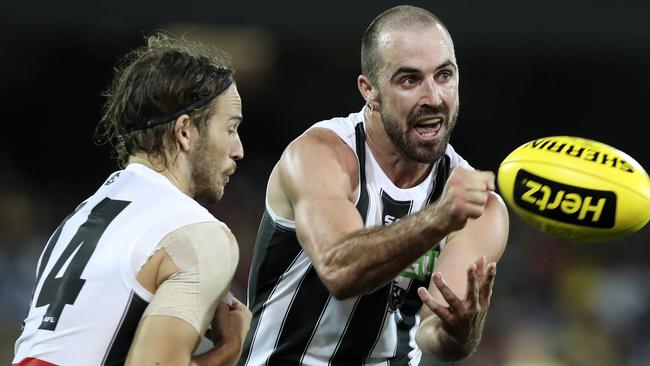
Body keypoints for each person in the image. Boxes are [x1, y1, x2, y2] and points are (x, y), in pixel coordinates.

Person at [239, 5, 509, 365]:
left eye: (444, 75)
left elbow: (435, 335)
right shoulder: (320, 155)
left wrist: (461, 330)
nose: (433, 97)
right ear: (370, 90)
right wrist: (438, 219)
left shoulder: (479, 207)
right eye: (409, 80)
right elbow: (339, 270)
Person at [13, 33, 251, 366]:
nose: (238, 150)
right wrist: (230, 349)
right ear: (185, 131)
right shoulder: (198, 232)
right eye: (230, 129)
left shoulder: (79, 217)